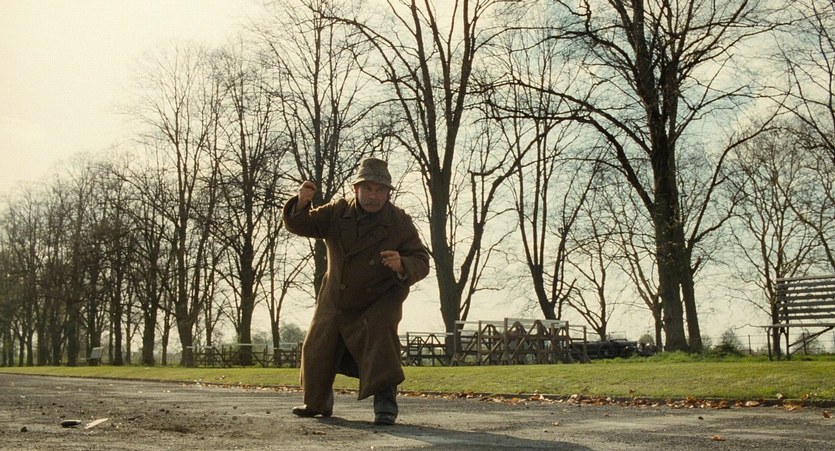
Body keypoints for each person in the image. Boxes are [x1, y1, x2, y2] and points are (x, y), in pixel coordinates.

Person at [283, 157, 430, 425]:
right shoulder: (337, 212)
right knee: (318, 346)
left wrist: (402, 264)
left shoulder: (399, 221)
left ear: (388, 193)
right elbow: (301, 225)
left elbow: (422, 260)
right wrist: (302, 202)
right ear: (356, 189)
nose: (374, 195)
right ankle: (316, 402)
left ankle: (385, 407)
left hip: (378, 300)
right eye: (368, 189)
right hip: (336, 298)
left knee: (381, 340)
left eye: (380, 190)